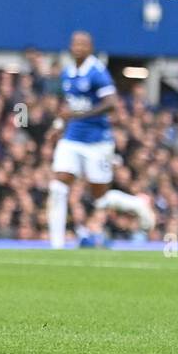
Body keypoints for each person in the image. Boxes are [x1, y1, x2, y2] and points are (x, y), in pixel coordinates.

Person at [47, 30, 154, 248]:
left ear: (90, 48)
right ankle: (55, 245)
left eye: (82, 44)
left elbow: (111, 103)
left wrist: (79, 116)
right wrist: (59, 125)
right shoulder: (68, 72)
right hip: (72, 139)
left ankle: (137, 204)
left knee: (99, 198)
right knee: (59, 185)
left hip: (97, 141)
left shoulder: (97, 72)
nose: (77, 47)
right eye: (74, 43)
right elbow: (70, 104)